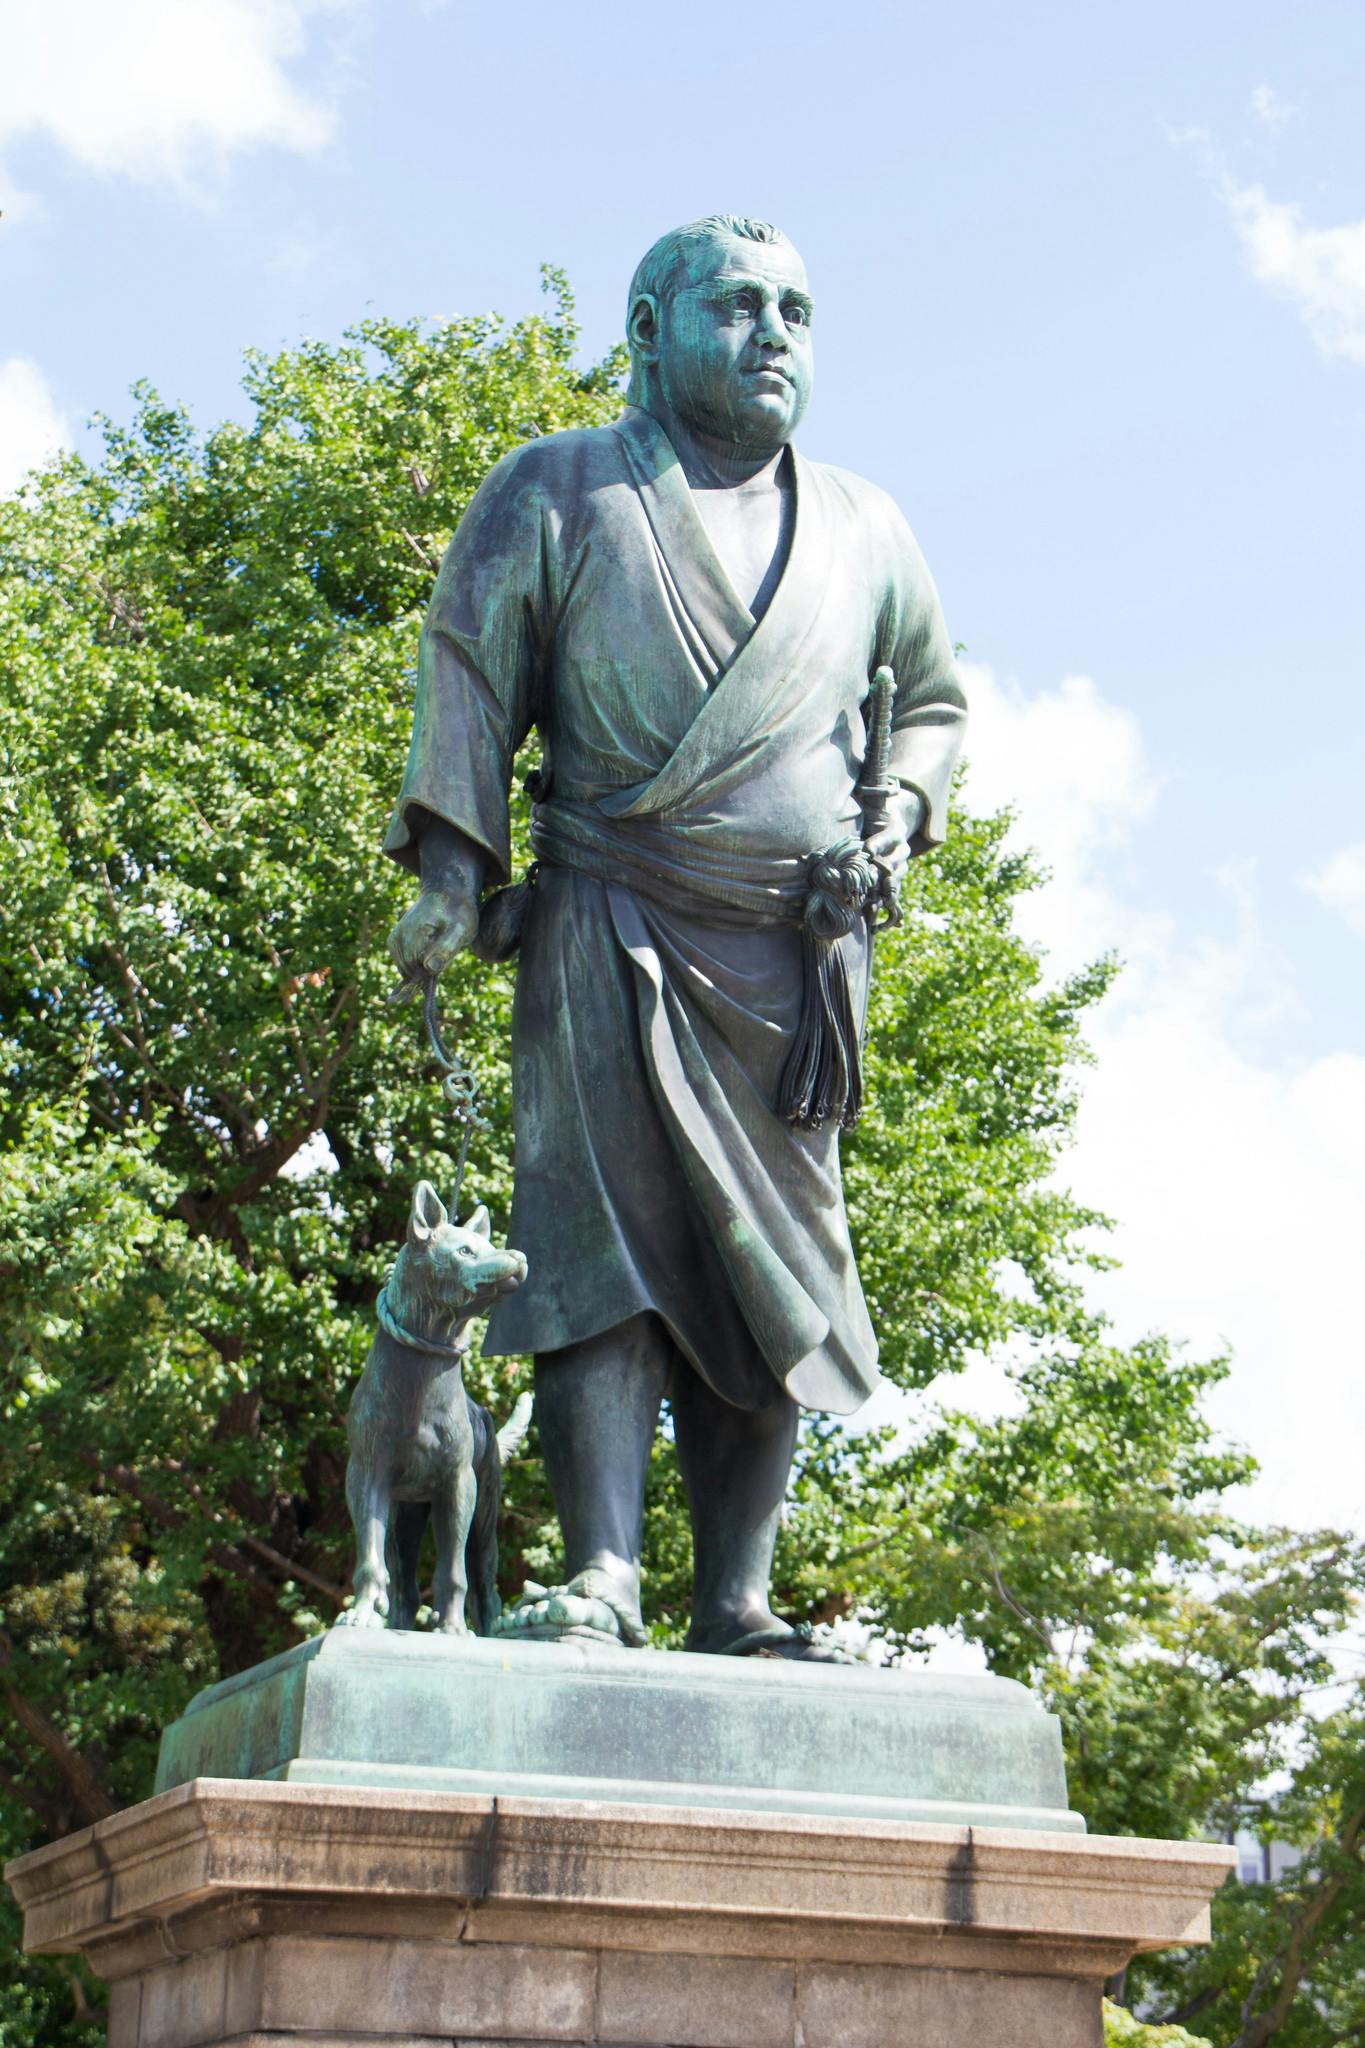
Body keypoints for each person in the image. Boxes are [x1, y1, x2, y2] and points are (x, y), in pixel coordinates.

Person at [384, 216, 966, 1657]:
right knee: (603, 1253)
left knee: (775, 1268)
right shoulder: (556, 488)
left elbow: (931, 701)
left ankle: (737, 1598)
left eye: (797, 311)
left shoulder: (865, 526)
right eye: (737, 305)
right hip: (606, 912)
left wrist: (898, 812)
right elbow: (470, 672)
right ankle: (604, 1571)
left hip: (792, 949)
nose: (774, 334)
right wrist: (452, 873)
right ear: (647, 330)